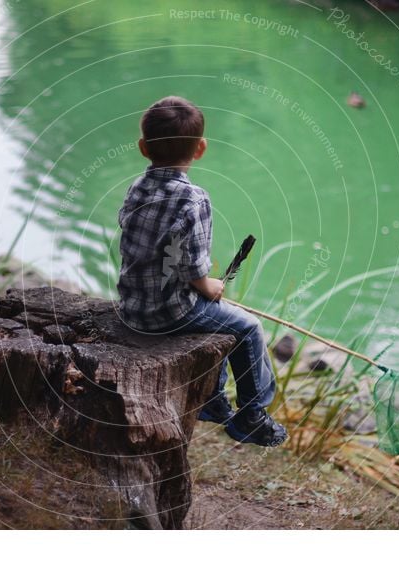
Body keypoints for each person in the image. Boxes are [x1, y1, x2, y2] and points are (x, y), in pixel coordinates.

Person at [116, 95, 287, 447]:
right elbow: (193, 268)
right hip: (167, 313)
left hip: (133, 304)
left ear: (143, 147)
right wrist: (207, 286)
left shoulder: (137, 186)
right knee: (248, 328)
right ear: (201, 148)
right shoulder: (193, 199)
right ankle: (252, 416)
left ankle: (211, 400)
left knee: (217, 322)